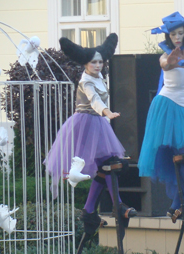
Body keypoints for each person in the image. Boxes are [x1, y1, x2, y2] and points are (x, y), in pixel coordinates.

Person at [44, 33, 136, 236]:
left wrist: (105, 115)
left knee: (105, 167)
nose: (98, 65)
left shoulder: (99, 77)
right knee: (109, 163)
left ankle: (89, 210)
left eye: (101, 62)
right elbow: (94, 100)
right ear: (85, 63)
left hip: (97, 124)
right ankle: (118, 205)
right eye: (94, 62)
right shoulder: (86, 81)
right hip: (85, 125)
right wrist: (107, 112)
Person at [138, 12, 184, 222]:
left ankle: (176, 204)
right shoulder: (165, 54)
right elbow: (165, 64)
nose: (177, 37)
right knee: (182, 157)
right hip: (169, 106)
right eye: (173, 34)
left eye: (180, 33)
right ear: (168, 36)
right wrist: (170, 62)